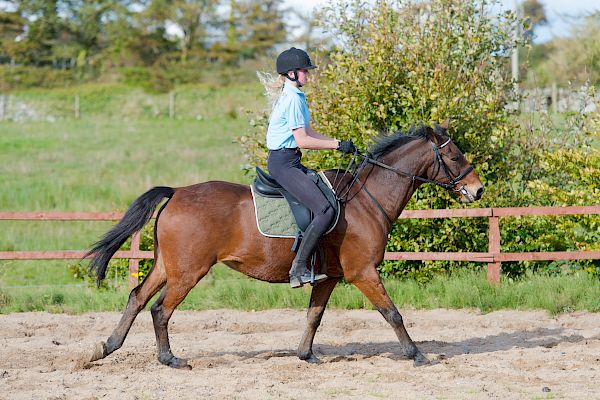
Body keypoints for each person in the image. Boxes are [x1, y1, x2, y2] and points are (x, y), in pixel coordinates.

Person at [266, 47, 356, 288]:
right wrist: (336, 145)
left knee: (327, 201)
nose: (308, 74)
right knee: (325, 210)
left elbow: (308, 132)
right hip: (284, 163)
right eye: (305, 71)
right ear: (292, 73)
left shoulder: (296, 95)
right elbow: (303, 141)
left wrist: (339, 143)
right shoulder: (293, 98)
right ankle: (299, 268)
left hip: (290, 160)